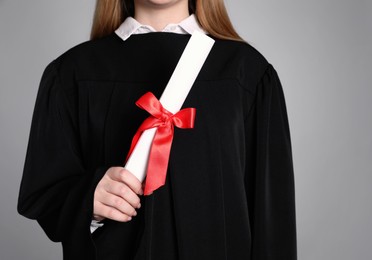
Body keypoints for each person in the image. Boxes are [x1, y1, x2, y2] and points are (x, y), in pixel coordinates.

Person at [17, 0, 297, 259]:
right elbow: (44, 193)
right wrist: (88, 199)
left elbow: (272, 220)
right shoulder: (72, 73)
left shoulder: (247, 72)